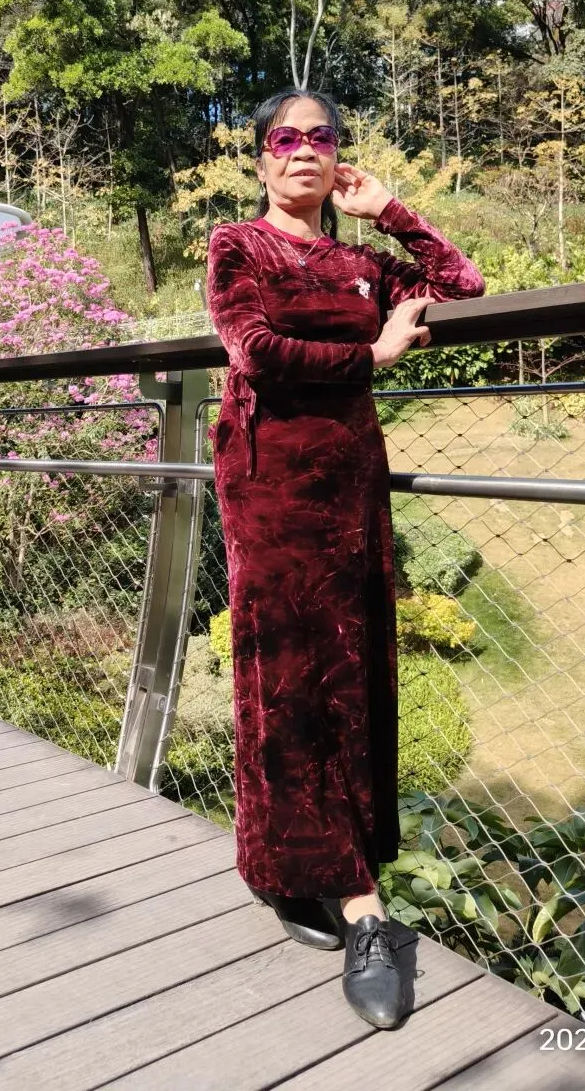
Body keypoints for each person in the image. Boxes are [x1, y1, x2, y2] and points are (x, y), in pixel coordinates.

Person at [206, 88, 484, 1029]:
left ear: (338, 157)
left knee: (353, 672)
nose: (303, 150)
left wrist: (392, 211)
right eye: (285, 138)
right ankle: (357, 902)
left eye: (320, 137)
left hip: (351, 482)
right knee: (285, 676)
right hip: (268, 484)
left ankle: (288, 869)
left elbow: (464, 285)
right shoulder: (238, 246)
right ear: (262, 158)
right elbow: (254, 351)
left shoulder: (363, 261)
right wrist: (376, 356)